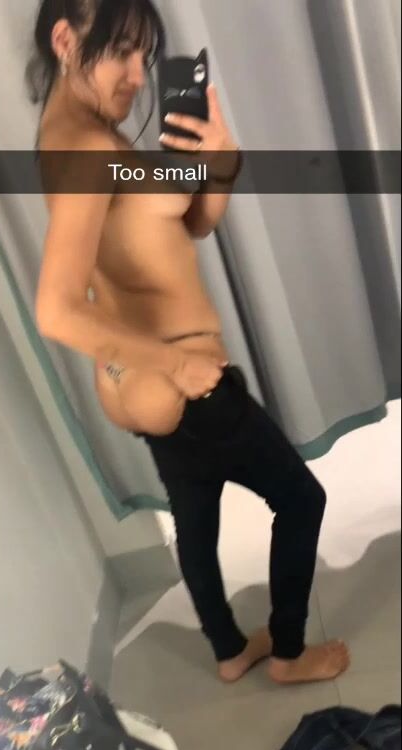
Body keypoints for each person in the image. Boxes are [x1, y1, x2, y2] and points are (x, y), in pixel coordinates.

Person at [31, 0, 350, 685]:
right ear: (64, 39)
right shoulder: (88, 149)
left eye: (144, 57)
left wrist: (220, 162)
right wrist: (178, 362)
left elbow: (188, 222)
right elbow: (55, 310)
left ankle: (230, 651)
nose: (137, 75)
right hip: (177, 370)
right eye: (121, 52)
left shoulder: (79, 138)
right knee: (301, 499)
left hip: (136, 382)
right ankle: (289, 654)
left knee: (195, 516)